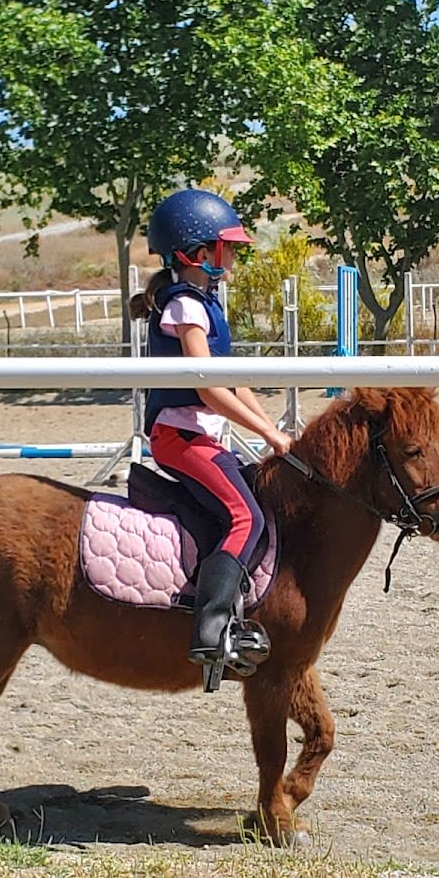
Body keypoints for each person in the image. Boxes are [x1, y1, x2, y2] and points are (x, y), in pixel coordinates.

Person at [130, 188, 293, 678]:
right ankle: (212, 629)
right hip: (180, 437)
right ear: (197, 254)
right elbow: (208, 389)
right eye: (229, 249)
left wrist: (273, 429)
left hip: (197, 436)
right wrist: (267, 432)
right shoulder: (186, 307)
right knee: (248, 518)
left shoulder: (205, 302)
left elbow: (235, 382)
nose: (235, 258)